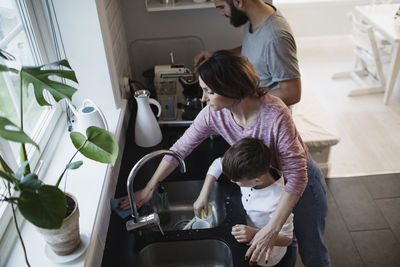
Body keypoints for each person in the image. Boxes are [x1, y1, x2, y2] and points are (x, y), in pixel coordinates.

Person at [121, 50, 331, 266]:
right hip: (265, 183)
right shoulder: (215, 114)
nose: (203, 98)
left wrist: (272, 229)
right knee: (285, 245)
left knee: (312, 250)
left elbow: (297, 177)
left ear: (230, 88)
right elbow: (180, 149)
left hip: (300, 184)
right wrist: (150, 186)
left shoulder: (275, 114)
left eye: (208, 92)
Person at [195, 137, 295, 266]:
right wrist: (204, 194)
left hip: (266, 253)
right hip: (248, 229)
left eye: (236, 181)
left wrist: (254, 233)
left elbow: (287, 239)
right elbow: (218, 163)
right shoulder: (251, 169)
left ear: (257, 180)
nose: (232, 181)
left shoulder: (278, 201)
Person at [194, 0, 301, 106]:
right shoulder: (254, 17)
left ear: (238, 2)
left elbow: (292, 94)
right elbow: (256, 49)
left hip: (265, 114)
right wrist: (216, 55)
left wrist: (240, 101)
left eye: (222, 7)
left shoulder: (276, 37)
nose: (221, 13)